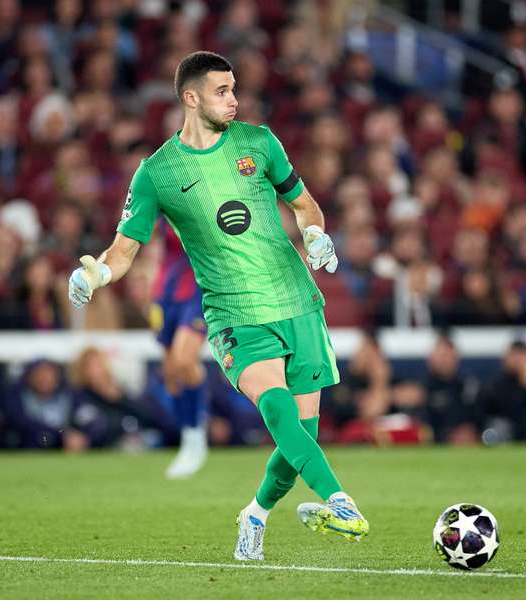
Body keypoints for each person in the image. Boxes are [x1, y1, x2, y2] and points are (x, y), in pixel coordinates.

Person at [67, 51, 369, 561]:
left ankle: (254, 515)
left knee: (299, 437)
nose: (234, 100)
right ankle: (340, 501)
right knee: (274, 405)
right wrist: (94, 273)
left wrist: (315, 233)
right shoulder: (158, 173)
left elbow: (303, 201)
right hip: (233, 312)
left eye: (234, 90)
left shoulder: (259, 141)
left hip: (296, 301)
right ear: (191, 97)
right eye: (222, 91)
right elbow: (124, 250)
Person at [151, 223, 211, 479]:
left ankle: (197, 436)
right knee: (171, 371)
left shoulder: (213, 191)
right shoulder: (161, 190)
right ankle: (188, 439)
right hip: (166, 291)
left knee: (185, 360)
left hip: (200, 286)